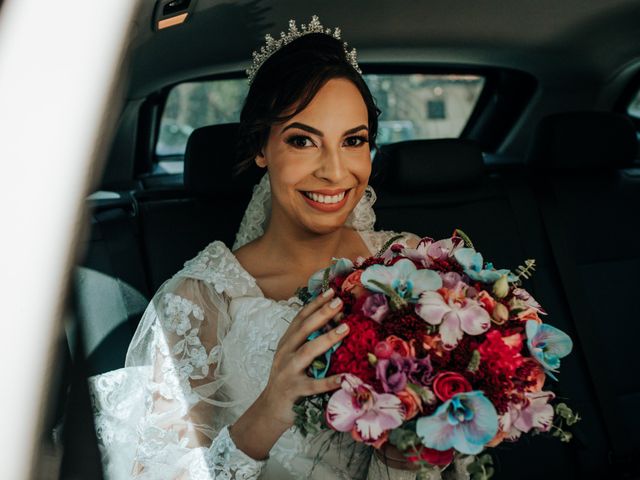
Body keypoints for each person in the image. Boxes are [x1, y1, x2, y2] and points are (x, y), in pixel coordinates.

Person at [89, 16, 472, 480]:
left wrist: (407, 451)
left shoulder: (411, 266)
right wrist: (270, 410)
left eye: (353, 141)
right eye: (302, 140)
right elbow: (157, 472)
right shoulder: (199, 300)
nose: (334, 171)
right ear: (262, 148)